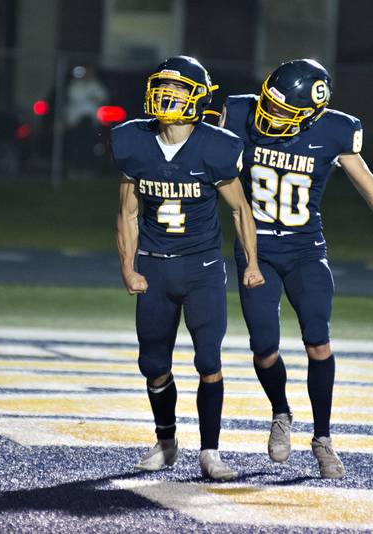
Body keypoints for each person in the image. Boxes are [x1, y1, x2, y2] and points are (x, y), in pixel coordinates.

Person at [221, 59, 373, 478]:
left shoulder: (334, 130)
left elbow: (368, 184)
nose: (269, 115)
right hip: (256, 250)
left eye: (282, 111)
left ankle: (323, 438)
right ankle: (281, 412)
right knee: (264, 347)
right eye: (269, 104)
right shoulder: (240, 112)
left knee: (318, 341)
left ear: (311, 113)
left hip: (305, 250)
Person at [111, 56, 265, 481]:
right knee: (153, 364)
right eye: (163, 87)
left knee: (208, 360)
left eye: (177, 90)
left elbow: (239, 210)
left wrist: (251, 263)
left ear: (197, 98)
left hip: (201, 268)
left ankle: (210, 451)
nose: (166, 96)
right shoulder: (134, 142)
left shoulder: (215, 146)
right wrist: (128, 268)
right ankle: (165, 441)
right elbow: (127, 212)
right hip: (156, 267)